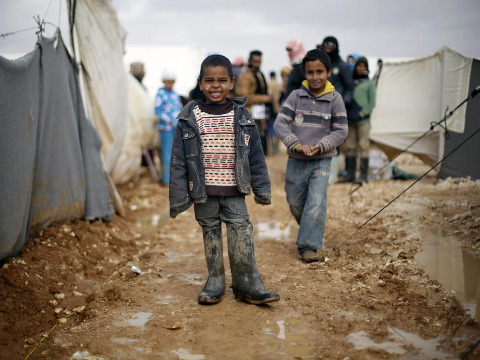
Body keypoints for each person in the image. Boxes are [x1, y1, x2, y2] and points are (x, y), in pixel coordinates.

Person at [169, 54, 280, 305]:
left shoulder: (242, 117)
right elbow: (178, 162)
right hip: (203, 191)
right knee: (210, 232)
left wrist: (262, 189)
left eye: (221, 80)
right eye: (209, 80)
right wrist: (178, 198)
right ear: (200, 83)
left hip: (234, 190)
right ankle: (215, 279)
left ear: (231, 82)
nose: (215, 86)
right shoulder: (189, 118)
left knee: (241, 232)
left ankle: (247, 282)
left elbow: (256, 157)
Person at [274, 48, 348, 263]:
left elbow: (341, 129)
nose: (315, 77)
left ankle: (308, 246)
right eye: (310, 72)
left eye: (320, 72)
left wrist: (321, 145)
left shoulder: (335, 99)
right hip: (296, 160)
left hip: (321, 160)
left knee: (315, 202)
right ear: (304, 73)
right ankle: (311, 227)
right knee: (295, 202)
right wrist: (295, 144)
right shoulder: (296, 97)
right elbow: (280, 123)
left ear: (328, 72)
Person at [340, 57, 376, 184]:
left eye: (363, 66)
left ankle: (363, 175)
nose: (361, 68)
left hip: (363, 120)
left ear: (367, 68)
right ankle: (350, 174)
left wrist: (362, 113)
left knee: (363, 145)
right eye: (358, 66)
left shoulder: (369, 83)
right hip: (350, 119)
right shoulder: (350, 82)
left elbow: (372, 102)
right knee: (350, 146)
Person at [235, 50, 273, 155]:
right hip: (250, 114)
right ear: (249, 60)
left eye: (259, 61)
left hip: (260, 114)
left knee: (260, 147)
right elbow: (244, 97)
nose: (257, 64)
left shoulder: (259, 74)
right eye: (255, 61)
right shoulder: (245, 76)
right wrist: (265, 98)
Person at [155, 69, 183, 186]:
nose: (169, 84)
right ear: (164, 82)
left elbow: (179, 109)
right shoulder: (160, 94)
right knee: (166, 154)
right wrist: (169, 120)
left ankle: (175, 177)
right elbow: (157, 111)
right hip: (165, 128)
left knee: (176, 153)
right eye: (167, 82)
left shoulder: (175, 94)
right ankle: (166, 179)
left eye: (171, 82)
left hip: (176, 127)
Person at [317, 36, 354, 106]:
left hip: (336, 105)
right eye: (326, 46)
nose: (328, 49)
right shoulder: (318, 64)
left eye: (331, 46)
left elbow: (350, 87)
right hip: (319, 103)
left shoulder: (342, 66)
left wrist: (344, 101)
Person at [267, 71, 282, 154]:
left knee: (270, 127)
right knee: (278, 127)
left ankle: (272, 146)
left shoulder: (269, 84)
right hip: (279, 109)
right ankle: (277, 146)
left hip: (271, 109)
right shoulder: (279, 84)